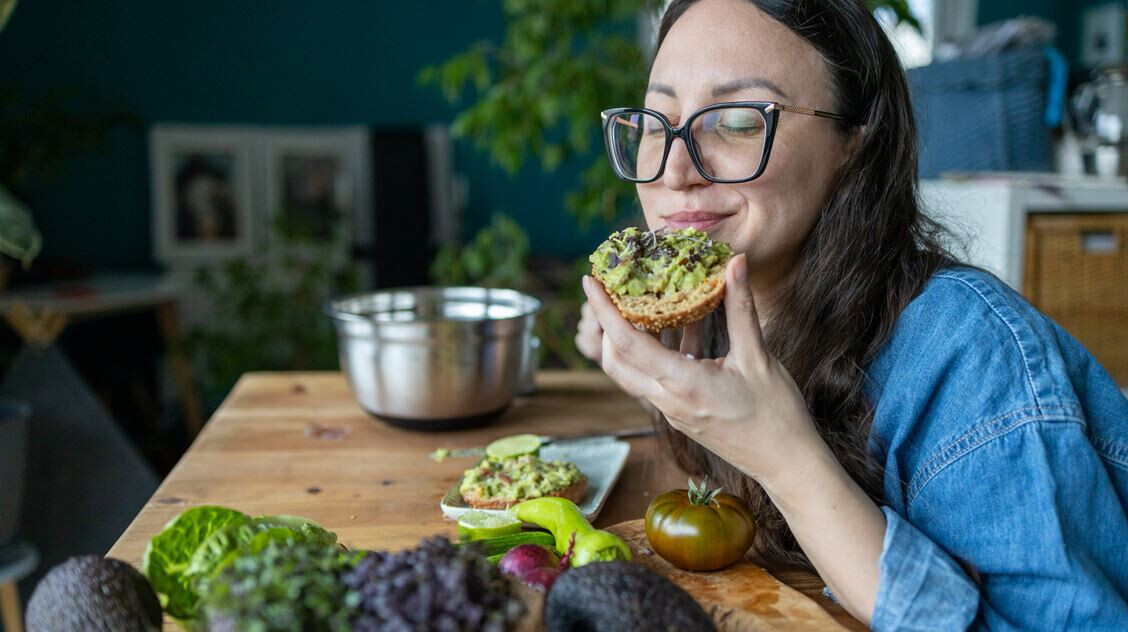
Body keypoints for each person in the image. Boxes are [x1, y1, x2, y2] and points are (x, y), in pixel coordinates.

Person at [575, 1, 1128, 629]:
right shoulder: (724, 315)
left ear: (852, 143)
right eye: (658, 122)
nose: (675, 173)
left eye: (737, 121)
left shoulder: (972, 354)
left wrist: (784, 456)